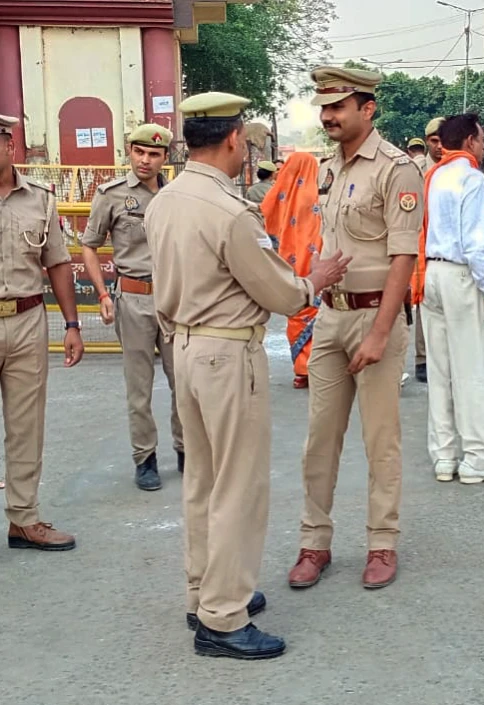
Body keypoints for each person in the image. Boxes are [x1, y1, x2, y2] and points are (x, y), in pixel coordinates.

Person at [145, 91, 350, 658]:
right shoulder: (229, 211)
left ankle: (203, 593)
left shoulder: (166, 199)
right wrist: (314, 280)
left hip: (185, 346)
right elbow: (280, 292)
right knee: (238, 486)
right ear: (235, 138)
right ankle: (224, 615)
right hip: (227, 354)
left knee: (203, 481)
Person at [287, 66, 423, 592]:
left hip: (374, 317)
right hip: (331, 318)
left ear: (368, 109)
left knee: (380, 440)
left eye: (338, 106)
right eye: (323, 107)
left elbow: (404, 256)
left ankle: (382, 542)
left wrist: (380, 333)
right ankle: (314, 542)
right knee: (319, 440)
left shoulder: (396, 169)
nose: (328, 116)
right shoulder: (328, 169)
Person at [418, 113, 484, 484]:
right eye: (480, 139)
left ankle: (444, 457)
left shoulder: (435, 175)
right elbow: (476, 243)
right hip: (461, 277)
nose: (483, 146)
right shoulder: (472, 178)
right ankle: (477, 458)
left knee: (440, 372)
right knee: (474, 370)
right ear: (469, 141)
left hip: (432, 274)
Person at [81, 123, 182, 491]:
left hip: (173, 300)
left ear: (164, 158)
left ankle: (186, 449)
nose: (145, 160)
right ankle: (145, 458)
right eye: (139, 152)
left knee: (184, 381)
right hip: (134, 298)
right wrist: (103, 295)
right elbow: (89, 245)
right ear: (130, 152)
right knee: (139, 387)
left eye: (154, 154)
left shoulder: (176, 195)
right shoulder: (111, 195)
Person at [0, 113, 85, 550]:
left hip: (27, 320)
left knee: (26, 426)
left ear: (9, 146)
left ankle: (24, 519)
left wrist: (72, 324)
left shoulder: (40, 199)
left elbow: (57, 263)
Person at [262, 152, 323, 389]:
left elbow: (264, 218)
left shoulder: (279, 191)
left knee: (296, 312)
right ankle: (315, 367)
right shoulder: (316, 192)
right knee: (315, 312)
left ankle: (300, 370)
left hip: (289, 262)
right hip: (314, 260)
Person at [412, 117, 445, 385]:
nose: (439, 146)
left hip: (446, 245)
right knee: (424, 302)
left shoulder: (454, 168)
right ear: (427, 142)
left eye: (443, 140)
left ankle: (445, 357)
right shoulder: (415, 169)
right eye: (434, 141)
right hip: (420, 242)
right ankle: (422, 358)